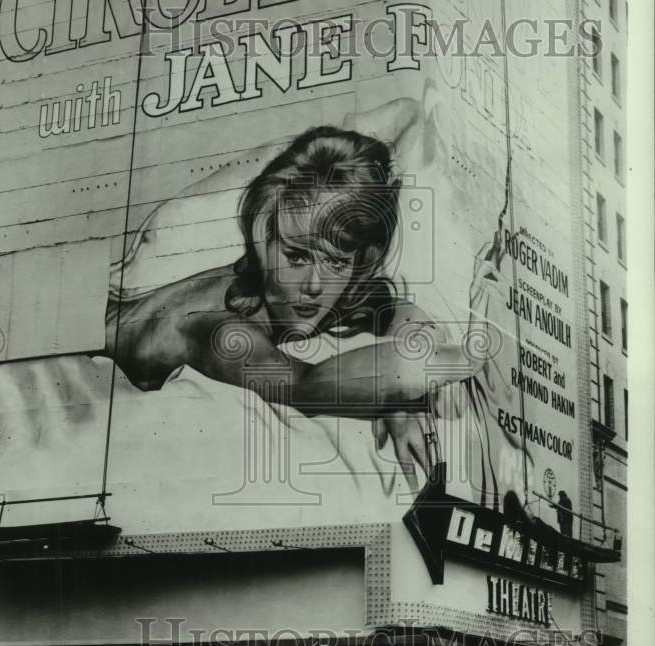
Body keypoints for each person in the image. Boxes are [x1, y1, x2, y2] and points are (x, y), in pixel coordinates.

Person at [104, 125, 500, 435]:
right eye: (296, 256)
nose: (314, 284)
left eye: (336, 262)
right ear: (264, 239)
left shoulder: (299, 290)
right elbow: (309, 386)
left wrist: (396, 401)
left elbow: (393, 308)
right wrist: (463, 359)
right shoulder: (219, 332)